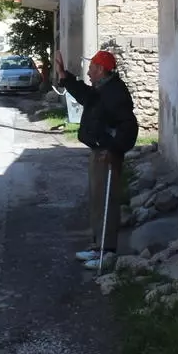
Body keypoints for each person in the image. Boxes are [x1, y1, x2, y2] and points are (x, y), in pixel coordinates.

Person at [55, 49, 139, 270]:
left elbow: (128, 126)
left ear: (101, 69)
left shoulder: (115, 93)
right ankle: (97, 246)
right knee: (97, 201)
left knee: (106, 202)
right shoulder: (103, 89)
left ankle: (107, 251)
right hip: (99, 152)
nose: (89, 73)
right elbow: (85, 96)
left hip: (106, 155)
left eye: (91, 68)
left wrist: (112, 149)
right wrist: (65, 77)